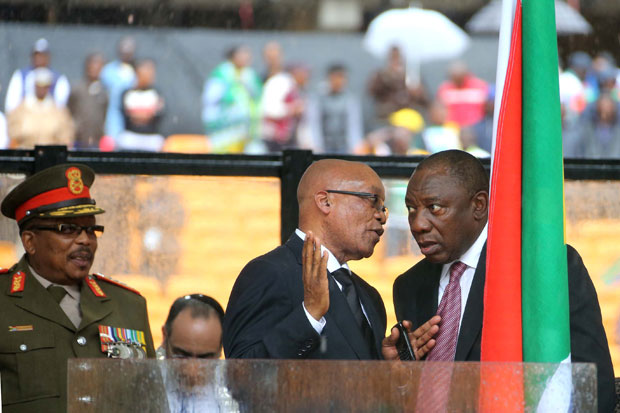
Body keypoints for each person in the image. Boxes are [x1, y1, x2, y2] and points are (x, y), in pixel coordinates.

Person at [392, 150, 615, 413]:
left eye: (434, 208)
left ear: (479, 205)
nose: (417, 224)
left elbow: (593, 385)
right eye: (411, 209)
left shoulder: (541, 269)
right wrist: (397, 373)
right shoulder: (409, 286)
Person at [0, 163, 155, 413]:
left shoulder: (129, 306)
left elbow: (151, 403)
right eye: (68, 229)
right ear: (30, 241)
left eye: (91, 230)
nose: (85, 240)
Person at [224, 159, 389, 359]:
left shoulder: (369, 296)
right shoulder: (268, 273)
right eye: (373, 200)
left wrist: (391, 366)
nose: (382, 216)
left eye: (383, 208)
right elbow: (243, 370)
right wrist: (309, 315)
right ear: (325, 201)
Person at [159, 294, 239, 412]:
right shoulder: (144, 383)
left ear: (220, 348)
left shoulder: (234, 395)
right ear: (165, 337)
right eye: (181, 356)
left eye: (204, 359)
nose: (192, 371)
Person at [201, 45, 262, 153]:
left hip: (247, 130)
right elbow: (211, 99)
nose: (246, 57)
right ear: (233, 56)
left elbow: (257, 95)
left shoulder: (249, 75)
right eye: (242, 54)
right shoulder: (221, 74)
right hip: (224, 129)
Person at [7, 67, 75, 148]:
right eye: (39, 86)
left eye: (45, 86)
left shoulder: (59, 111)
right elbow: (13, 134)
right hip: (27, 151)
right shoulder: (21, 109)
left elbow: (66, 136)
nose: (42, 90)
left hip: (50, 152)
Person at [306, 63, 363, 154]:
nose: (338, 81)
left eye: (342, 77)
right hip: (324, 147)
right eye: (336, 77)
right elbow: (314, 122)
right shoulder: (319, 98)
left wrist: (355, 145)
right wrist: (316, 145)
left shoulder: (350, 99)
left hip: (343, 147)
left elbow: (353, 125)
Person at [4, 38, 70, 115]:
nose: (39, 58)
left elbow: (62, 108)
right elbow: (11, 106)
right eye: (37, 55)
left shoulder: (59, 79)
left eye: (43, 55)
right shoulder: (20, 76)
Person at [117, 59, 165, 151]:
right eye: (146, 72)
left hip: (151, 138)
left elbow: (159, 114)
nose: (150, 75)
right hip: (131, 137)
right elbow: (125, 114)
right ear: (137, 73)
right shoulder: (127, 93)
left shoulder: (156, 93)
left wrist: (138, 115)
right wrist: (145, 114)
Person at [67, 53, 109, 150]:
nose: (94, 69)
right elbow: (70, 110)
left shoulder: (103, 91)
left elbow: (104, 113)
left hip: (97, 140)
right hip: (78, 140)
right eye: (92, 65)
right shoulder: (77, 89)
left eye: (98, 66)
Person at [101, 36, 137, 141]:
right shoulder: (108, 70)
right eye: (123, 50)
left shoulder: (137, 70)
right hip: (112, 118)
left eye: (129, 51)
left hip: (132, 121)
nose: (126, 54)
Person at [436, 61, 488, 128]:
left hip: (476, 127)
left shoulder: (480, 86)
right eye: (454, 77)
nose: (458, 80)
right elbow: (439, 110)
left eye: (460, 77)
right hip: (452, 127)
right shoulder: (444, 89)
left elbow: (487, 107)